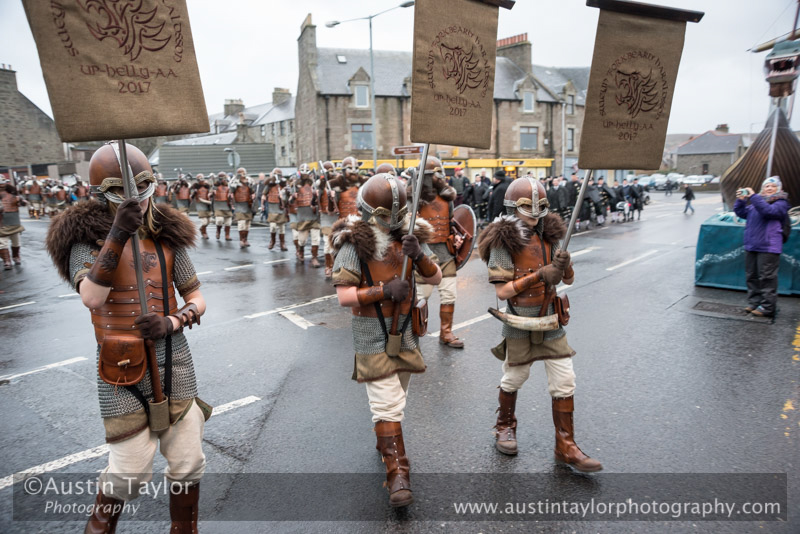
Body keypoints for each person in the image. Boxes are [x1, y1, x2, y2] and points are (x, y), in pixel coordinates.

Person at [45, 143, 211, 532]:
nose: (135, 198)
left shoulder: (167, 237)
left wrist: (172, 321)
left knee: (188, 462)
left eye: (142, 187)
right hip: (121, 364)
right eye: (124, 191)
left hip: (175, 357)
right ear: (103, 192)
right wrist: (118, 233)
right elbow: (91, 297)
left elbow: (197, 298)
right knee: (130, 474)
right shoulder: (84, 242)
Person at [330, 173, 442, 507]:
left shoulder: (409, 237)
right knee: (388, 402)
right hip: (371, 333)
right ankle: (397, 474)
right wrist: (383, 291)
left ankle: (385, 441)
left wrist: (419, 254)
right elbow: (344, 295)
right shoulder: (354, 244)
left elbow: (435, 277)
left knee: (398, 399)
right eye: (383, 216)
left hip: (406, 330)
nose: (389, 222)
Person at [477, 177, 602, 472]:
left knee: (565, 380)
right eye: (526, 207)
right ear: (512, 206)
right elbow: (502, 292)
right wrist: (539, 275)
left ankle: (565, 445)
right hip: (519, 320)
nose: (534, 213)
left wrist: (564, 265)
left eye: (539, 207)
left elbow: (568, 279)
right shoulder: (502, 241)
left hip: (551, 321)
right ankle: (504, 426)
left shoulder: (551, 236)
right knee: (514, 378)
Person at [413, 156, 465, 348]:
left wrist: (457, 236)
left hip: (445, 253)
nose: (438, 178)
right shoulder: (414, 199)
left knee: (449, 295)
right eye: (433, 175)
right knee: (420, 297)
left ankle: (446, 332)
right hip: (424, 256)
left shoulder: (446, 198)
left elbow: (451, 222)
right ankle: (412, 333)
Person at [733, 176, 790, 318]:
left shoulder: (781, 203)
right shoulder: (756, 203)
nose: (769, 188)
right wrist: (740, 201)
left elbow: (769, 212)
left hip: (769, 246)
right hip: (752, 245)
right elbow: (741, 213)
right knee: (751, 276)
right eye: (766, 186)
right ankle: (754, 303)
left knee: (767, 278)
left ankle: (767, 307)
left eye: (773, 186)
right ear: (762, 189)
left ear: (779, 189)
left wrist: (753, 196)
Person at [293, 164, 321, 266]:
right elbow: (289, 200)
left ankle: (314, 258)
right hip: (303, 215)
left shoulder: (314, 184)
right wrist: (293, 196)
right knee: (302, 240)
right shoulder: (295, 184)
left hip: (313, 215)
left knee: (316, 238)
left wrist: (318, 194)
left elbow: (321, 198)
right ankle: (301, 250)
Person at [0, 178, 27, 269]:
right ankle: (7, 261)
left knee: (16, 242)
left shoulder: (14, 194)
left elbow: (23, 203)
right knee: (2, 243)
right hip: (1, 223)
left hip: (14, 222)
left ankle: (16, 256)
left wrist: (21, 201)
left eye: (2, 183)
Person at [263, 168, 288, 251]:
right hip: (272, 207)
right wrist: (262, 205)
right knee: (273, 226)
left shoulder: (283, 184)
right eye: (276, 174)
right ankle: (272, 241)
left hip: (281, 207)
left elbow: (288, 194)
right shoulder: (269, 185)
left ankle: (282, 243)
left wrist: (283, 196)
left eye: (279, 175)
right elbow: (264, 194)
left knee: (281, 227)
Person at [231, 168, 255, 248]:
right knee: (241, 223)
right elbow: (231, 189)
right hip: (239, 204)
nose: (242, 174)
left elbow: (253, 190)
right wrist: (237, 179)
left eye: (243, 173)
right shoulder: (234, 181)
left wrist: (253, 194)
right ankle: (241, 240)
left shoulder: (249, 181)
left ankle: (245, 239)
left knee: (247, 224)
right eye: (241, 173)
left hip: (248, 204)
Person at [211, 172, 233, 241]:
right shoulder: (215, 186)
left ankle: (227, 235)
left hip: (227, 205)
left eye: (224, 178)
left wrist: (231, 197)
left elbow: (232, 194)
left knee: (228, 222)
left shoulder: (229, 185)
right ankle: (218, 231)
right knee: (219, 220)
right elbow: (210, 193)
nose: (223, 179)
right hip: (218, 205)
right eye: (221, 178)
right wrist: (212, 192)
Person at [190, 173, 213, 239]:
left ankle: (201, 229)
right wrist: (193, 192)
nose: (200, 179)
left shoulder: (207, 185)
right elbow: (191, 194)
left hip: (207, 203)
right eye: (199, 178)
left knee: (208, 221)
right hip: (200, 203)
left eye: (201, 178)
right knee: (204, 221)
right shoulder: (195, 186)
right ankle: (204, 232)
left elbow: (211, 191)